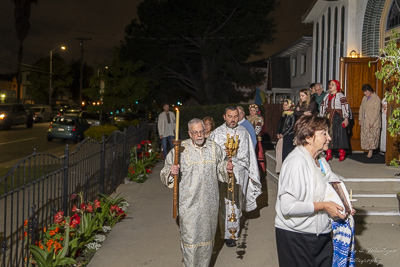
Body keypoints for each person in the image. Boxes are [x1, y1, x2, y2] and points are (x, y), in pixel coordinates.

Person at [275, 115, 356, 267]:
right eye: (324, 133)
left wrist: (343, 205)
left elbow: (332, 186)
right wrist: (325, 206)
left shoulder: (320, 160)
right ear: (308, 137)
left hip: (320, 234)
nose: (329, 138)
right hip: (296, 237)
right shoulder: (296, 162)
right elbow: (288, 207)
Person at [160, 118, 232, 267]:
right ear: (189, 133)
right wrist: (171, 171)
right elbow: (165, 170)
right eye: (196, 132)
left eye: (202, 131)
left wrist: (227, 168)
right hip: (189, 204)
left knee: (207, 242)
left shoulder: (213, 147)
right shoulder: (180, 149)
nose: (200, 135)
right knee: (190, 241)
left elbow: (221, 166)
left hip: (209, 203)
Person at [209, 107, 261, 247]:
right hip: (223, 173)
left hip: (240, 172)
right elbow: (211, 155)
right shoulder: (217, 133)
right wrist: (224, 157)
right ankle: (223, 232)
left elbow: (249, 154)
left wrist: (251, 173)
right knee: (224, 203)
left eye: (235, 116)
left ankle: (232, 233)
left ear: (239, 117)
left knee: (236, 203)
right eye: (230, 116)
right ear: (224, 117)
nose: (233, 119)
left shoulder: (244, 133)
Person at [319, 79, 351, 162]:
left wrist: (346, 118)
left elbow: (344, 107)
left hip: (337, 117)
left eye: (332, 84)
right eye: (330, 84)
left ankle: (341, 152)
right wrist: (321, 116)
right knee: (327, 133)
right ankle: (328, 153)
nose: (330, 86)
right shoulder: (326, 96)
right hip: (328, 116)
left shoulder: (340, 96)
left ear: (337, 86)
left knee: (338, 134)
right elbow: (323, 107)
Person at [359, 84, 382, 158]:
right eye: (364, 92)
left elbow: (376, 112)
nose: (366, 93)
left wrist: (372, 121)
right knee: (366, 136)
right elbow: (361, 108)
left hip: (373, 121)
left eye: (367, 91)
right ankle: (367, 149)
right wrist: (360, 119)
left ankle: (371, 150)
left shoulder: (376, 98)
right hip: (365, 119)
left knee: (372, 136)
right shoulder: (364, 98)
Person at [275, 99, 296, 173]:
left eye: (286, 105)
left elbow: (291, 127)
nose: (284, 106)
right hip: (282, 136)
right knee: (279, 150)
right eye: (283, 105)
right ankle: (279, 167)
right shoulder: (283, 114)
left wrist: (283, 134)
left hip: (288, 137)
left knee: (285, 152)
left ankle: (284, 168)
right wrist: (278, 133)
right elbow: (280, 125)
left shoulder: (292, 115)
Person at [246, 104, 266, 172]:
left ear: (256, 111)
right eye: (251, 110)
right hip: (248, 139)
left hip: (256, 140)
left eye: (253, 111)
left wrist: (251, 136)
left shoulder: (259, 119)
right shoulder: (247, 118)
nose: (252, 112)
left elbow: (257, 130)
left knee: (256, 155)